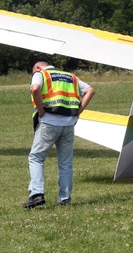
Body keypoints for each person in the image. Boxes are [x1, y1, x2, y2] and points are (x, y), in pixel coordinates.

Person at [24, 62, 95, 208]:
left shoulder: (40, 74)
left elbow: (35, 88)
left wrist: (41, 110)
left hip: (49, 122)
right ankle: (65, 199)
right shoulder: (71, 76)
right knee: (65, 163)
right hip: (69, 124)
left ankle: (37, 194)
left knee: (36, 157)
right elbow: (90, 91)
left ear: (37, 68)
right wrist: (78, 111)